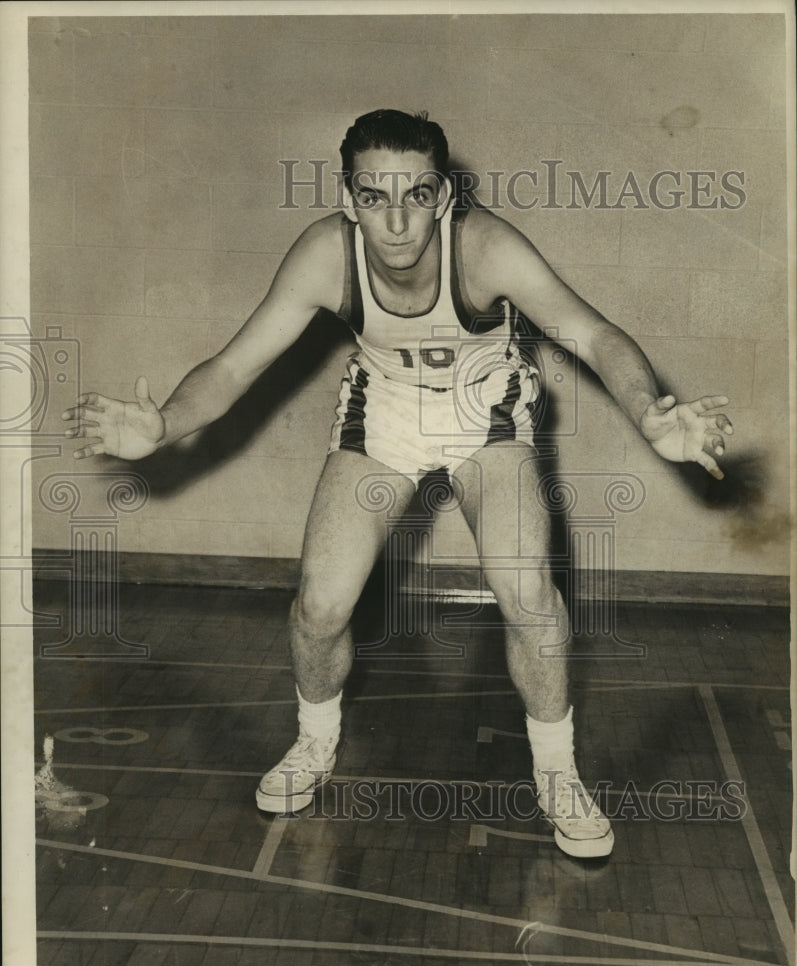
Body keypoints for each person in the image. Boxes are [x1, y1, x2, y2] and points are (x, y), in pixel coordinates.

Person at [62, 109, 732, 859]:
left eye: (415, 195)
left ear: (443, 196)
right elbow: (230, 368)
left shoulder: (485, 250)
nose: (397, 220)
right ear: (348, 200)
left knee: (529, 596)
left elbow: (593, 332)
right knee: (319, 604)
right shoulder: (324, 254)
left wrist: (648, 413)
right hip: (379, 425)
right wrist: (162, 426)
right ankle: (315, 743)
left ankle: (555, 771)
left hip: (487, 424)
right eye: (374, 197)